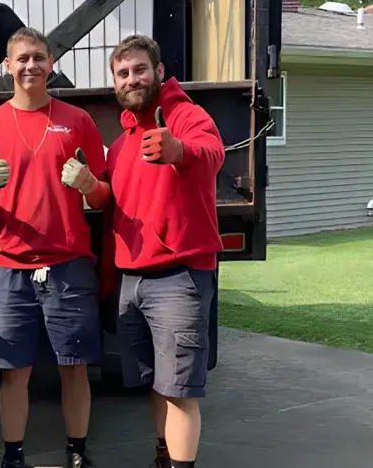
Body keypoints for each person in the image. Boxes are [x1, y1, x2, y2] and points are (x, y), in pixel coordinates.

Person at [0, 27, 111, 468]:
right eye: (22, 58)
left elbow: (104, 196)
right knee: (13, 372)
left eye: (39, 58)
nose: (31, 66)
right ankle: (14, 456)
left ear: (51, 64)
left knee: (75, 367)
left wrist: (88, 184)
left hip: (68, 264)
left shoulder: (77, 120)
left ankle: (78, 452)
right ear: (6, 66)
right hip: (9, 267)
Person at [100, 35, 225, 468]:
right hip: (132, 279)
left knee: (179, 391)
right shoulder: (120, 145)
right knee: (156, 385)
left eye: (139, 69)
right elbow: (113, 203)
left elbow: (212, 153)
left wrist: (178, 151)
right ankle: (163, 456)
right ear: (114, 82)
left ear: (157, 71)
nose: (132, 79)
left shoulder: (185, 115)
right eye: (123, 73)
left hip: (179, 276)